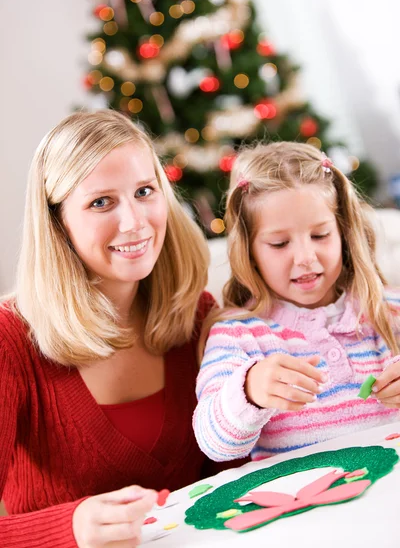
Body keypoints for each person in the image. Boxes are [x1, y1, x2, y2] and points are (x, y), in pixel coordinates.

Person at [0, 109, 217, 547]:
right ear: (57, 222)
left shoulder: (196, 315)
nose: (135, 222)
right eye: (101, 202)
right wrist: (69, 529)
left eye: (144, 192)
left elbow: (239, 478)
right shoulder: (9, 341)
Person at [193, 142, 400, 462]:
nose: (305, 258)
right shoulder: (238, 335)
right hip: (307, 506)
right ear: (249, 251)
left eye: (320, 236)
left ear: (343, 233)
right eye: (279, 243)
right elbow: (213, 443)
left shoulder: (388, 310)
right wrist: (248, 392)